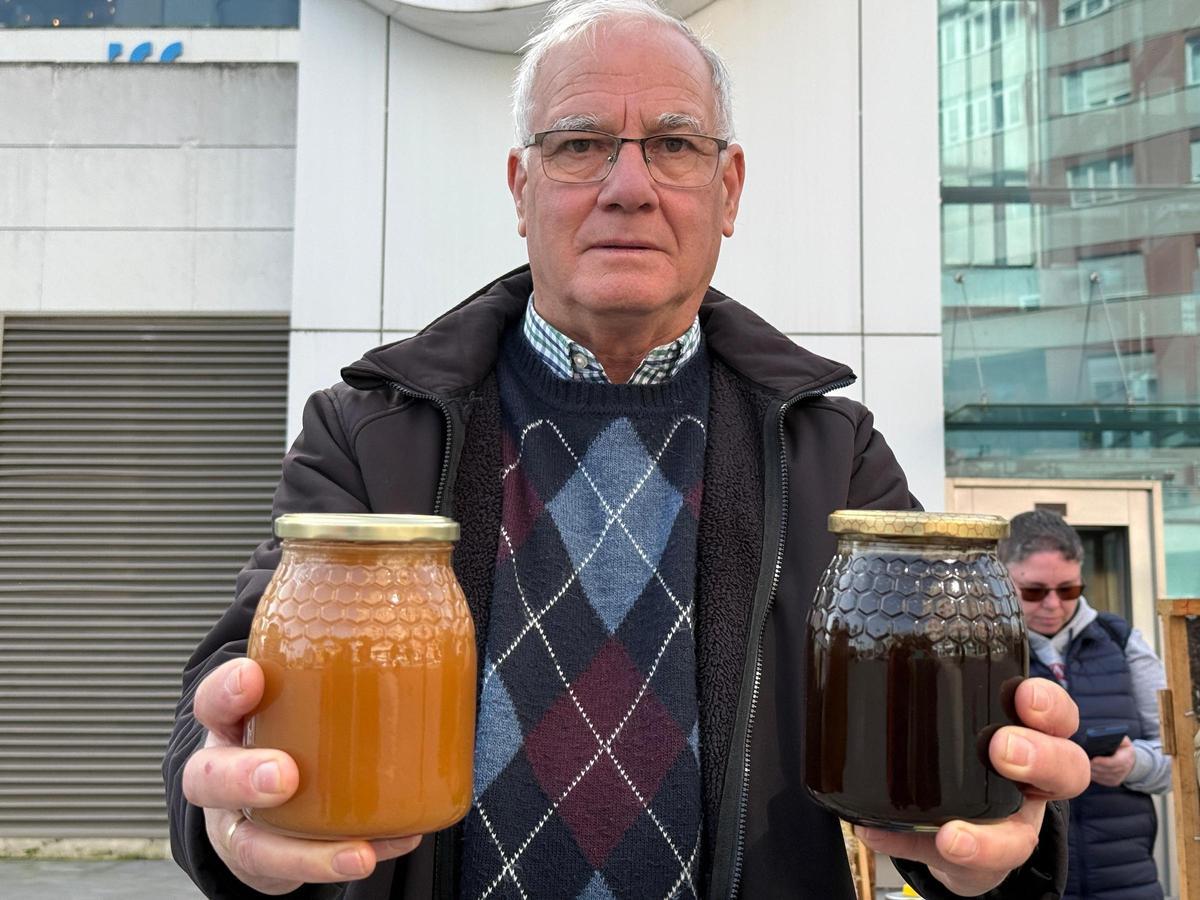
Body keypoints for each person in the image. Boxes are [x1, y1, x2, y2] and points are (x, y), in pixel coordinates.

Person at [163, 1, 1090, 897]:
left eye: (675, 145)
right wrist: (236, 825)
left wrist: (996, 846)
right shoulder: (371, 433)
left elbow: (944, 735)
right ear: (521, 188)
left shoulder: (829, 450)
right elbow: (242, 683)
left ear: (728, 190)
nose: (629, 186)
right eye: (580, 144)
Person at [999, 509, 1171, 900]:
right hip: (1026, 881)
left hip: (1127, 881)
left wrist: (1134, 764)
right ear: (1005, 579)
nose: (1053, 604)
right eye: (1034, 591)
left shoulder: (1124, 642)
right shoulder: (984, 652)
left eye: (1069, 590)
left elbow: (1177, 759)